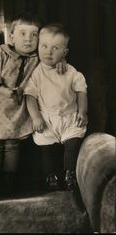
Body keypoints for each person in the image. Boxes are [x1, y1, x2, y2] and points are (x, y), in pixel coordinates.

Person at [0, 13, 67, 198]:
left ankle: (9, 181)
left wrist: (60, 60)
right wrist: (0, 88)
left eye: (34, 35)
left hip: (17, 109)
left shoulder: (36, 58)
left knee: (13, 144)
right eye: (22, 34)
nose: (28, 39)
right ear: (11, 36)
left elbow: (51, 57)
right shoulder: (1, 53)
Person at [25, 23, 88, 192]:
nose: (48, 52)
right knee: (47, 150)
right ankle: (51, 177)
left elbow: (81, 91)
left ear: (64, 52)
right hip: (47, 118)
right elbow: (30, 96)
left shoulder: (71, 71)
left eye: (56, 48)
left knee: (73, 145)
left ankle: (71, 175)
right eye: (44, 46)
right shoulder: (36, 72)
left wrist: (83, 111)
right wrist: (36, 117)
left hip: (69, 116)